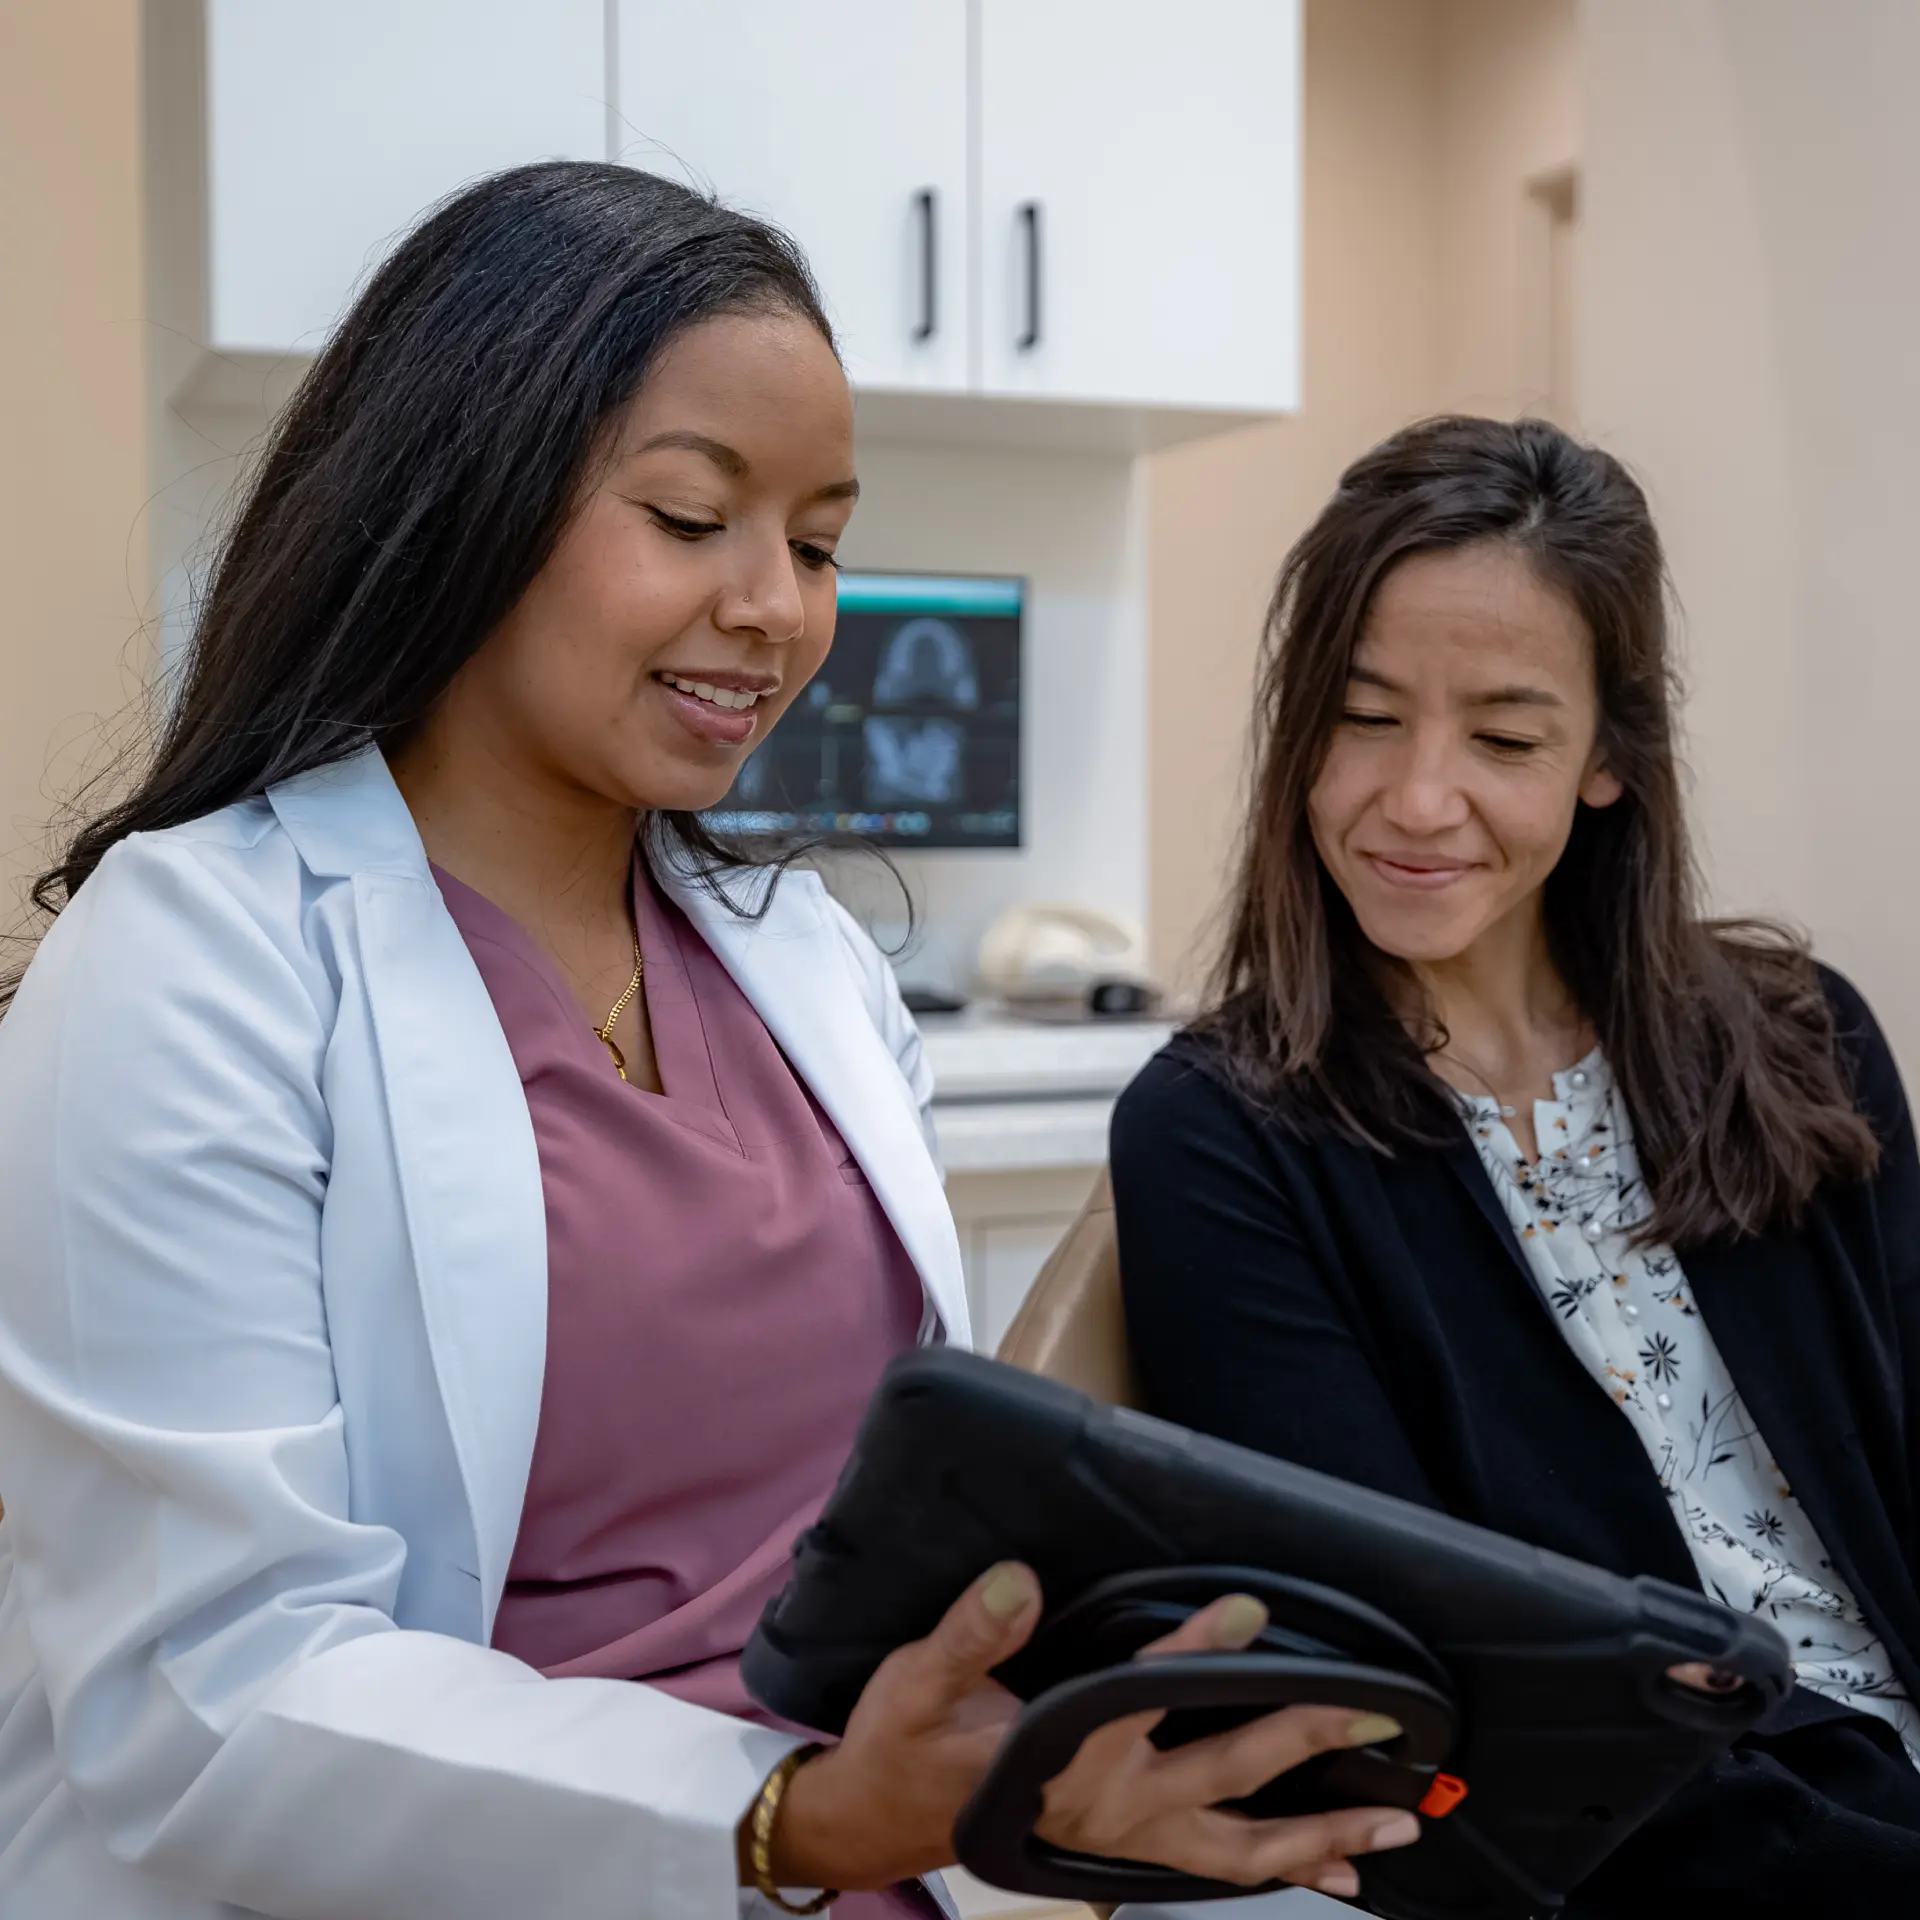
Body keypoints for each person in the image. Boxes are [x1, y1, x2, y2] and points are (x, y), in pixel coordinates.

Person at [0, 164, 1424, 1919]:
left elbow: (900, 1539)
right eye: (691, 519)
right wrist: (788, 1824)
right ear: (467, 499)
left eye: (819, 545)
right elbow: (209, 1704)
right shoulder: (198, 959)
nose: (779, 609)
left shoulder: (801, 964)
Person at [1112, 414, 1920, 1913]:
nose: (1419, 802)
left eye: (1502, 737)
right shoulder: (1219, 1134)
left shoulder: (1804, 1043)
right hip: (1645, 1849)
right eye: (1363, 718)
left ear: (1608, 760)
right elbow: (1429, 1678)